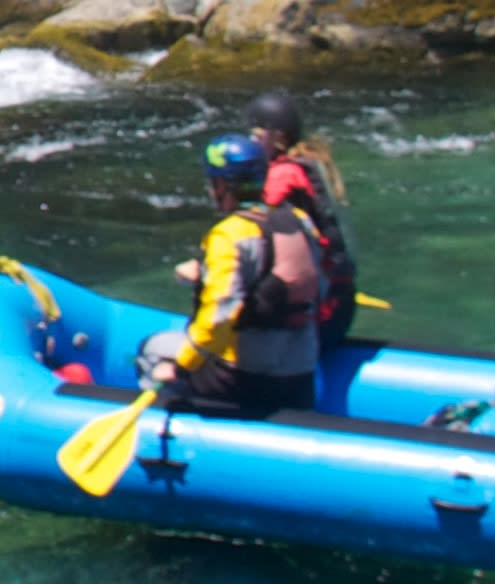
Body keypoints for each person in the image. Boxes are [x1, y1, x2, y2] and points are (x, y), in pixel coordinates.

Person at [146, 133, 334, 419]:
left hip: (242, 378)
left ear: (222, 186)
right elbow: (312, 283)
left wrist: (180, 367)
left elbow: (219, 316)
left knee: (155, 349)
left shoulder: (228, 235)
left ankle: (159, 439)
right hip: (300, 375)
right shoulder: (301, 221)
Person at [246, 87, 356, 353]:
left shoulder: (284, 175)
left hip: (323, 317)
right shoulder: (310, 163)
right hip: (341, 304)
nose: (249, 142)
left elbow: (249, 224)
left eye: (255, 135)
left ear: (275, 137)